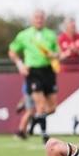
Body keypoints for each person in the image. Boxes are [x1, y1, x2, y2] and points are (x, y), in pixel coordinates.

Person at [8, 9, 59, 144]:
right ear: (32, 20)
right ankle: (44, 135)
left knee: (52, 108)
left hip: (48, 71)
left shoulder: (51, 35)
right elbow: (12, 52)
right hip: (33, 72)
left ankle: (36, 119)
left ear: (44, 19)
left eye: (41, 18)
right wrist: (20, 64)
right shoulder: (24, 35)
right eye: (36, 17)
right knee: (41, 105)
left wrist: (53, 55)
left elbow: (58, 53)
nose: (39, 20)